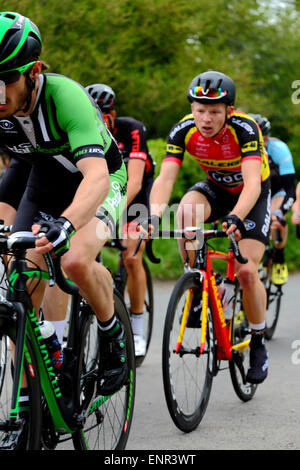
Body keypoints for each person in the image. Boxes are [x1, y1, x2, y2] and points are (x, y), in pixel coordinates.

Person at [0, 10, 128, 432]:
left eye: (6, 79)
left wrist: (68, 224)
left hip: (100, 177)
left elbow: (94, 176)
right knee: (20, 277)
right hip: (42, 177)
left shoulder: (64, 96)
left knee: (72, 260)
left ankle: (113, 335)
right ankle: (31, 391)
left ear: (34, 72)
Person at [148, 70, 271, 384]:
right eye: (199, 110)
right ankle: (197, 281)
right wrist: (152, 217)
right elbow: (165, 179)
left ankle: (258, 340)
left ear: (229, 111)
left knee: (245, 272)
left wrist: (237, 216)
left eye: (214, 111)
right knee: (186, 209)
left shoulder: (245, 128)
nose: (205, 118)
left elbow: (253, 183)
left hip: (250, 195)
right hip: (216, 189)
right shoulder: (183, 130)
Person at [85, 83, 155, 357]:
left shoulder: (131, 129)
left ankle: (137, 327)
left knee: (131, 255)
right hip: (105, 190)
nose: (97, 122)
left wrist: (107, 214)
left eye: (101, 116)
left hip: (136, 194)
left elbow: (135, 182)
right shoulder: (81, 130)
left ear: (112, 116)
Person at [248, 114, 296, 285]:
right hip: (254, 192)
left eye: (263, 139)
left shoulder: (279, 149)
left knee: (276, 218)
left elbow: (290, 189)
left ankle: (279, 258)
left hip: (277, 191)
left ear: (267, 138)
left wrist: (280, 211)